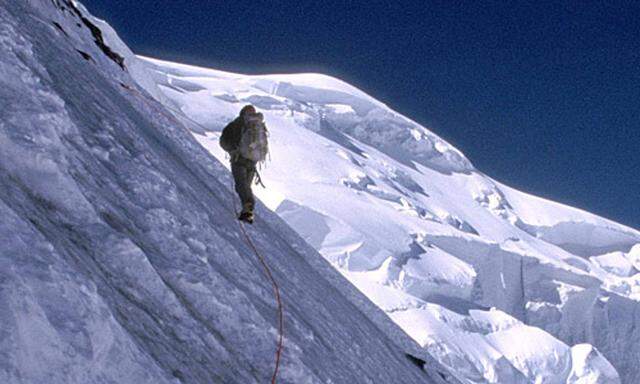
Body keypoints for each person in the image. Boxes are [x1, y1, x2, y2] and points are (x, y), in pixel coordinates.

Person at [219, 105, 269, 224]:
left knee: (241, 186)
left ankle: (247, 212)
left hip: (238, 159)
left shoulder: (238, 124)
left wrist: (232, 150)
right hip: (252, 163)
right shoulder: (259, 125)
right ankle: (247, 212)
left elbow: (223, 141)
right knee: (246, 186)